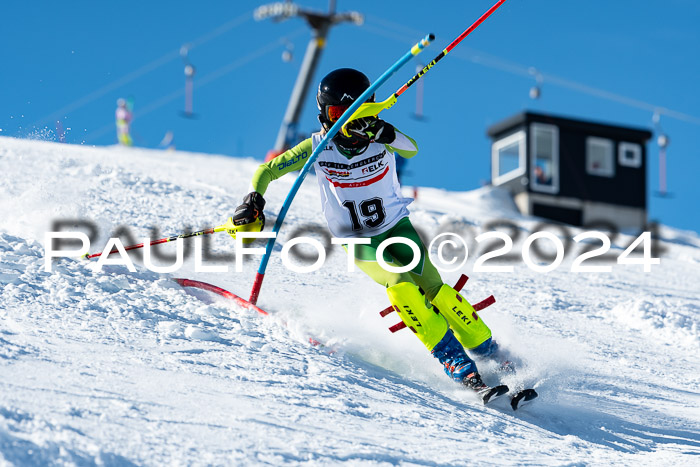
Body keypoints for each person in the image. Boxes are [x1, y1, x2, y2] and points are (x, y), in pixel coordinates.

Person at [232, 68, 504, 395]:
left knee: (437, 291)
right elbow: (268, 170)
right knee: (400, 285)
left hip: (396, 228)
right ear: (324, 115)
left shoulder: (380, 137)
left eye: (354, 112)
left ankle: (491, 352)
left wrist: (382, 131)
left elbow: (411, 148)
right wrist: (253, 199)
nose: (346, 122)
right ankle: (455, 362)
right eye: (337, 113)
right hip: (357, 240)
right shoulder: (318, 147)